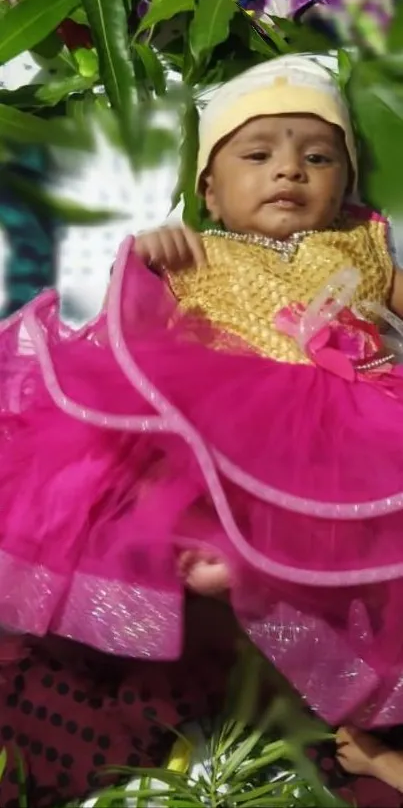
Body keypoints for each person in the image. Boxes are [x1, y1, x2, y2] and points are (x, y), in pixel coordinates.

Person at [2, 52, 403, 784]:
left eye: (317, 157)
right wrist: (148, 262)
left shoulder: (362, 243)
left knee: (361, 535)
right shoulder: (197, 250)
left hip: (359, 420)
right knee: (165, 461)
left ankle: (310, 658)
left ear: (344, 183)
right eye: (258, 154)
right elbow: (137, 344)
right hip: (235, 418)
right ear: (210, 194)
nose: (289, 171)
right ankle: (211, 552)